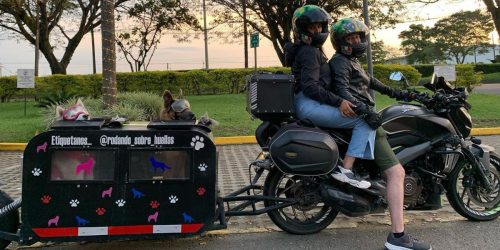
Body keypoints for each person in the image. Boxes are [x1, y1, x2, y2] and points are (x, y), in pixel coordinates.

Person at [329, 17, 432, 250]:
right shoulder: (340, 62)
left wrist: (405, 95)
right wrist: (365, 110)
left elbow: (373, 83)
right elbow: (342, 89)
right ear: (341, 42)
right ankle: (398, 237)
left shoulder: (351, 62)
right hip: (365, 120)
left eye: (358, 36)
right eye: (351, 37)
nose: (357, 40)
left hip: (366, 116)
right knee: (397, 173)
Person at [285, 5, 373, 189]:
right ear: (302, 29)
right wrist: (339, 101)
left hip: (307, 103)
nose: (317, 30)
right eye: (312, 27)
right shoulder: (309, 52)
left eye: (319, 26)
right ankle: (346, 170)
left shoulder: (306, 49)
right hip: (309, 104)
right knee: (364, 121)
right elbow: (310, 87)